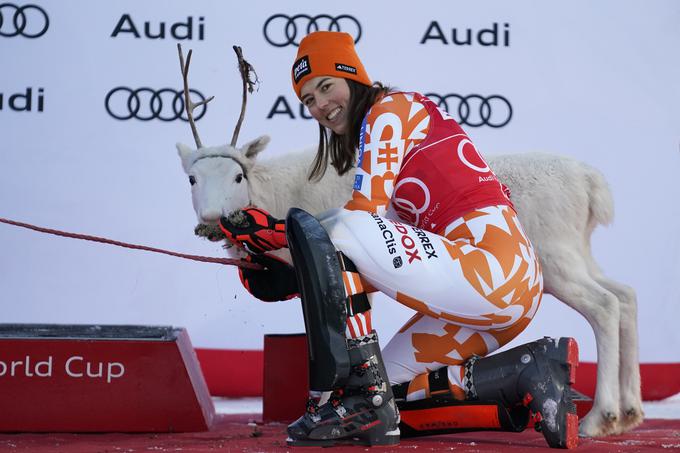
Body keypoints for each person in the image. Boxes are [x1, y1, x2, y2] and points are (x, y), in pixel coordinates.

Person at [219, 31, 578, 449]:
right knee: (388, 402)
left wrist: (279, 233)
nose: (319, 105)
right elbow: (374, 262)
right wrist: (296, 275)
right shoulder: (381, 132)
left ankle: (355, 396)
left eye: (325, 87)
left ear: (353, 78)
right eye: (308, 100)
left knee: (346, 225)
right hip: (489, 293)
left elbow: (359, 222)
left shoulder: (390, 110)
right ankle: (526, 372)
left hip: (494, 271)